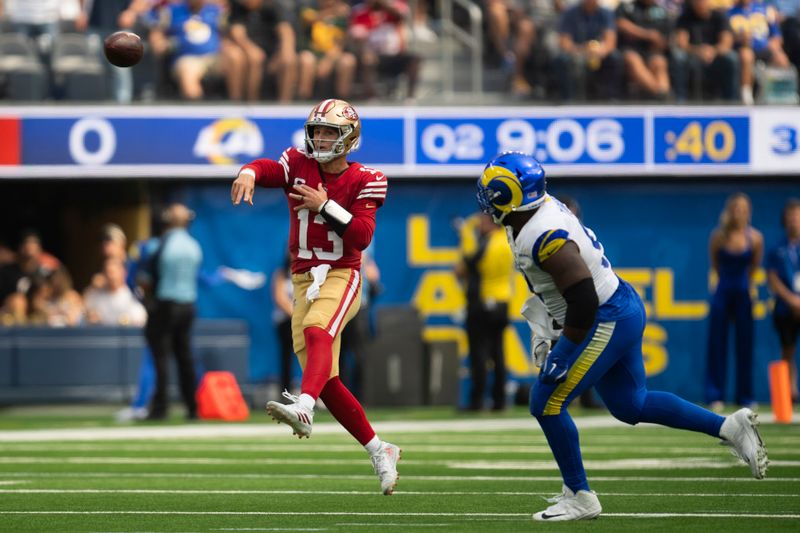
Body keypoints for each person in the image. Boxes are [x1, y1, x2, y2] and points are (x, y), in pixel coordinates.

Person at [475, 152, 768, 521]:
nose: (486, 198)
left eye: (493, 190)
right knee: (631, 404)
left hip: (603, 315)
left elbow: (581, 297)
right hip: (617, 306)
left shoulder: (541, 232)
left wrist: (562, 352)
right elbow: (553, 286)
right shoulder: (532, 214)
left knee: (544, 401)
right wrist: (542, 326)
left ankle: (580, 494)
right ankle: (729, 426)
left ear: (512, 195)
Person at [230, 98, 400, 495]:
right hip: (304, 278)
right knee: (325, 379)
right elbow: (270, 168)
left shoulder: (367, 178)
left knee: (316, 329)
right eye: (317, 130)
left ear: (349, 138)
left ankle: (304, 409)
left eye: (329, 132)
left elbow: (361, 235)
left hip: (343, 272)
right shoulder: (299, 162)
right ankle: (380, 449)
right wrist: (248, 172)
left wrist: (326, 206)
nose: (320, 138)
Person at [138, 203, 203, 421]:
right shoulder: (194, 246)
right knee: (185, 356)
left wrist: (147, 299)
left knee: (161, 357)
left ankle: (160, 408)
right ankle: (192, 406)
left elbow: (146, 277)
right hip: (188, 305)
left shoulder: (159, 244)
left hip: (165, 303)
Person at [706, 193, 763, 411]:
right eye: (736, 208)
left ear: (749, 212)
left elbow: (754, 268)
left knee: (745, 344)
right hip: (723, 291)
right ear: (730, 211)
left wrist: (743, 285)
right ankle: (715, 395)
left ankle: (745, 396)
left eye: (744, 208)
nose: (740, 212)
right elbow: (715, 265)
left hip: (743, 293)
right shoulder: (718, 236)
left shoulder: (756, 238)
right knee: (717, 344)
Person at [455, 212, 515, 411]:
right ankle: (500, 401)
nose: (479, 225)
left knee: (479, 353)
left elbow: (467, 264)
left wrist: (465, 235)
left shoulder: (486, 243)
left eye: (482, 221)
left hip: (482, 302)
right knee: (498, 353)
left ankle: (477, 400)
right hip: (503, 300)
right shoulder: (507, 241)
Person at [766, 198, 800, 403]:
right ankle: (790, 392)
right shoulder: (777, 248)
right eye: (791, 217)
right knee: (787, 348)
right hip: (786, 307)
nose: (794, 221)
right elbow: (773, 279)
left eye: (797, 216)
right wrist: (793, 301)